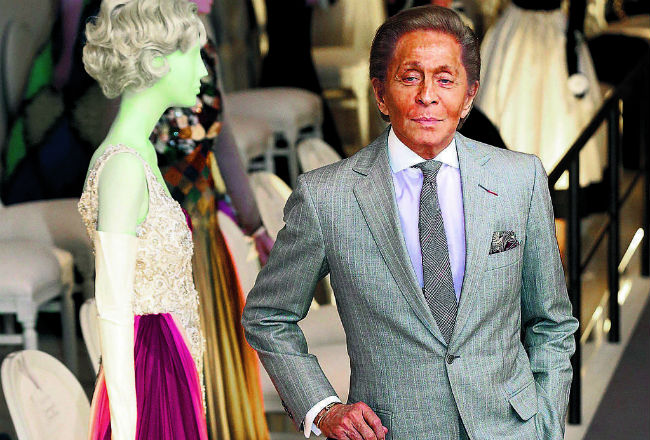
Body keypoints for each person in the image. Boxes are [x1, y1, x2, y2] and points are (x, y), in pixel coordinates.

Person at [243, 6, 578, 440]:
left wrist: (547, 423)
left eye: (445, 79)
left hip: (512, 429)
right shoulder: (326, 197)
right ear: (380, 94)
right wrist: (322, 409)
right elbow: (268, 316)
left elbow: (551, 323)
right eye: (409, 77)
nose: (427, 96)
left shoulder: (519, 179)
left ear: (469, 95)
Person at [78, 0, 209, 438]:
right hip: (149, 369)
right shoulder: (124, 166)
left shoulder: (143, 153)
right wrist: (125, 429)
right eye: (195, 55)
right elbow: (113, 308)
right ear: (156, 62)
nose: (203, 71)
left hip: (170, 357)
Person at [149, 1, 271, 437]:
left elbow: (221, 136)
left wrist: (253, 223)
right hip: (162, 234)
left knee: (215, 355)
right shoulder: (146, 43)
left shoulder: (201, 44)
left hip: (200, 229)